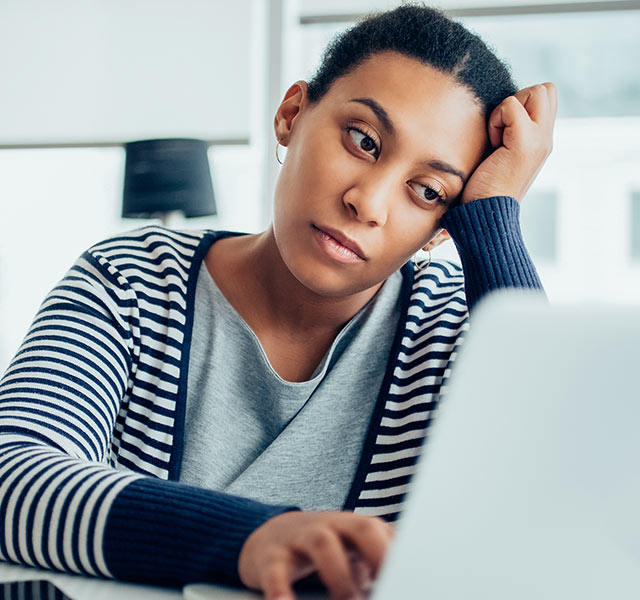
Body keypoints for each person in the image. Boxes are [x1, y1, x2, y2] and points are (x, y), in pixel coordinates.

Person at [0, 4, 556, 600]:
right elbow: (12, 477)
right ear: (292, 114)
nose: (367, 202)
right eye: (363, 140)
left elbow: (551, 503)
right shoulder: (130, 279)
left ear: (444, 225)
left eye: (427, 191)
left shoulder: (455, 329)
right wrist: (250, 539)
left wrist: (495, 216)